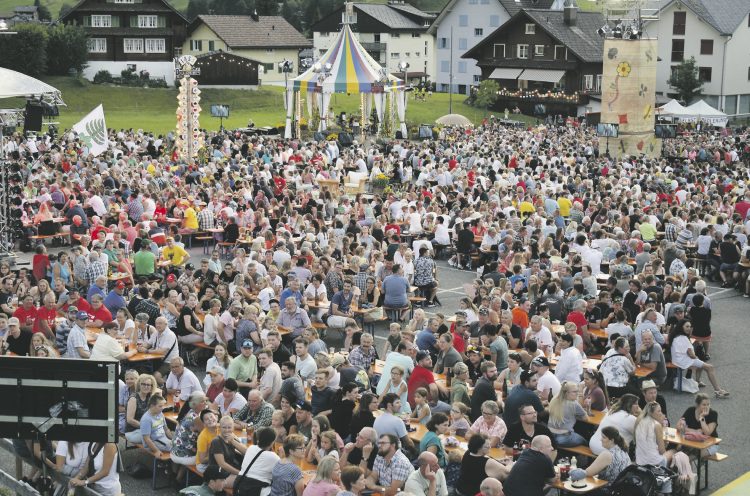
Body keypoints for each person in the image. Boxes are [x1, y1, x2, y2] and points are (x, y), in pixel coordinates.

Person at [669, 320, 729, 398]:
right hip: (683, 361)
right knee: (710, 367)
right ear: (681, 327)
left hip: (677, 360)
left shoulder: (676, 336)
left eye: (690, 327)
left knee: (700, 362)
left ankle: (697, 381)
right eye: (687, 326)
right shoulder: (683, 338)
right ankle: (718, 390)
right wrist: (695, 357)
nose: (689, 328)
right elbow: (691, 355)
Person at [237, 427, 280, 496]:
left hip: (240, 485)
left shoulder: (251, 448)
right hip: (255, 490)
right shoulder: (274, 457)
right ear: (272, 442)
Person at [208, 415, 247, 489]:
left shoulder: (232, 436)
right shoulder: (216, 441)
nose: (227, 430)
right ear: (219, 428)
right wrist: (239, 473)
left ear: (233, 428)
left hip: (228, 471)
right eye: (224, 427)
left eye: (229, 427)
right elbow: (222, 464)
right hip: (218, 475)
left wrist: (233, 441)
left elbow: (246, 452)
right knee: (245, 483)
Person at [546, 381, 588, 447]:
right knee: (586, 442)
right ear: (566, 393)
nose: (577, 394)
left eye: (577, 391)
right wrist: (575, 415)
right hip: (564, 438)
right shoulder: (574, 404)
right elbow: (586, 418)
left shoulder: (554, 399)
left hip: (550, 436)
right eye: (574, 392)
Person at [681, 393, 720, 457]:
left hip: (710, 444)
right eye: (704, 405)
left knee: (690, 456)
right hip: (693, 441)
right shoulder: (690, 410)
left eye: (708, 404)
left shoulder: (713, 414)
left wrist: (702, 418)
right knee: (681, 452)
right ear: (697, 405)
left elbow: (707, 432)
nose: (707, 407)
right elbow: (680, 426)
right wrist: (695, 431)